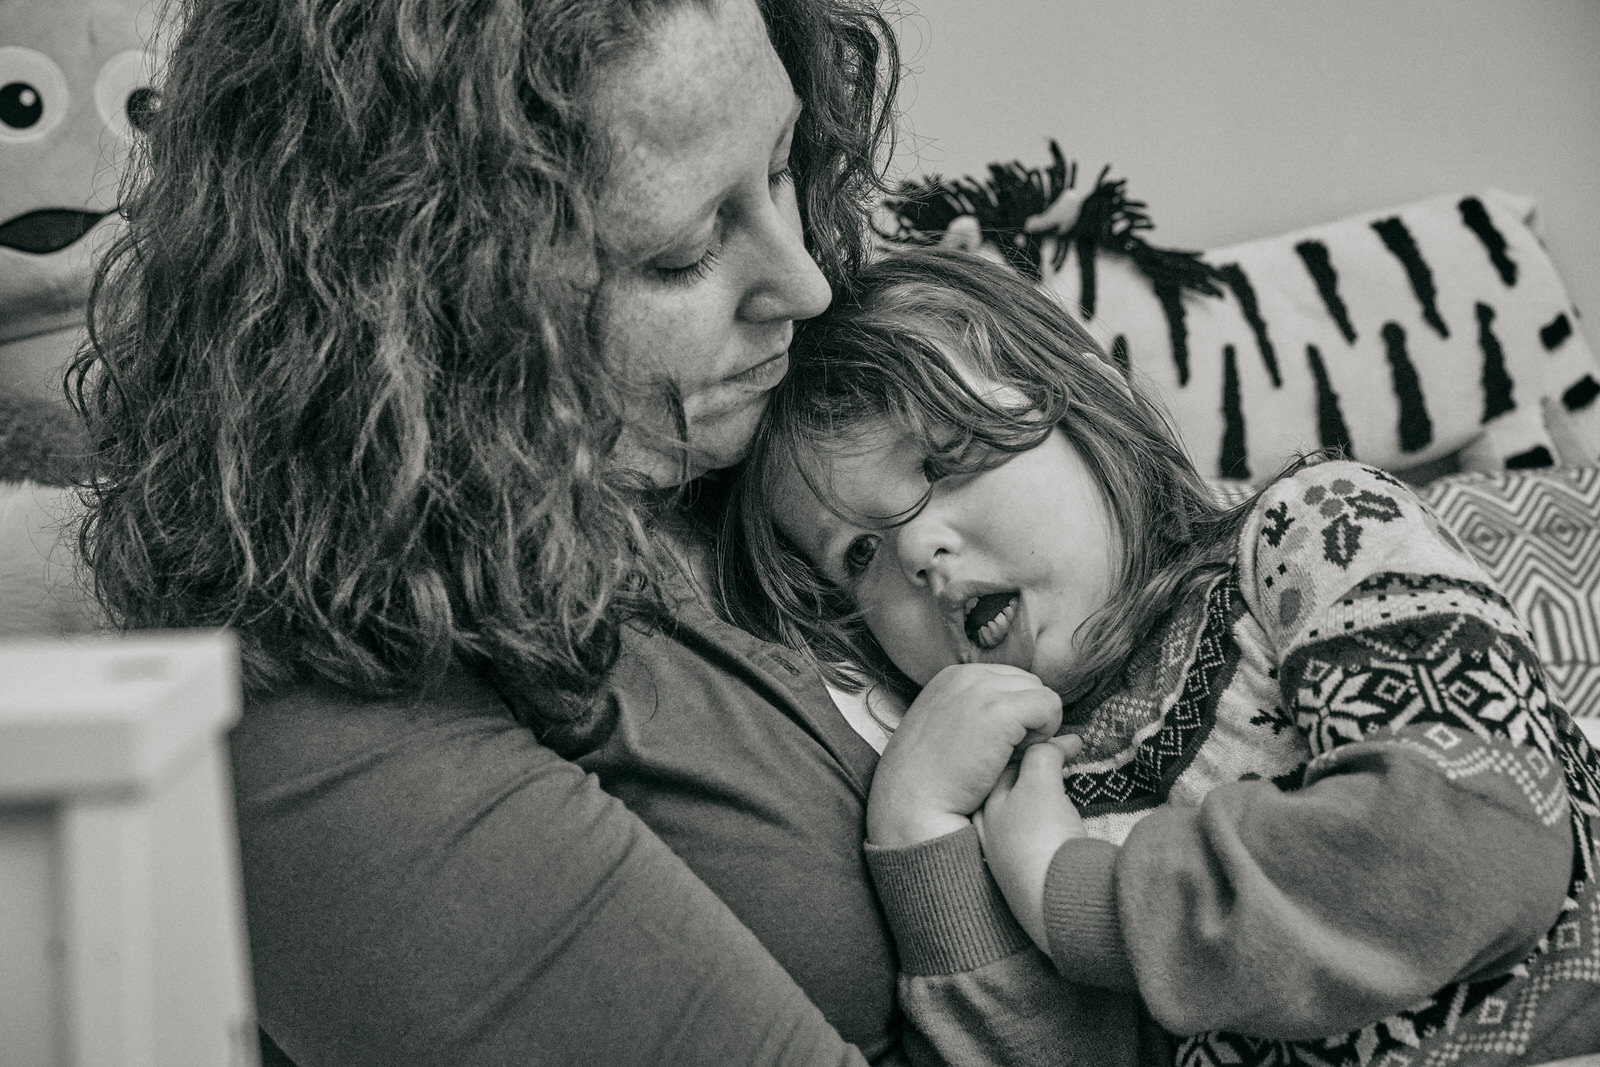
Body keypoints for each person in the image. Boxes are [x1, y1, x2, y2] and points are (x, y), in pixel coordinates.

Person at [64, 2, 1137, 1064]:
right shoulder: (327, 715)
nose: (806, 284)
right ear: (430, 298)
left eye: (780, 165)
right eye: (680, 254)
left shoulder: (761, 431)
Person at [721, 247, 1600, 1066]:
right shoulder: (1015, 798)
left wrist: (1081, 896)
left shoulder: (1313, 532)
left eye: (948, 459)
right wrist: (918, 832)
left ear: (1088, 409)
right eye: (860, 554)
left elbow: (1476, 837)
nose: (918, 554)